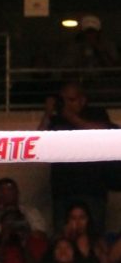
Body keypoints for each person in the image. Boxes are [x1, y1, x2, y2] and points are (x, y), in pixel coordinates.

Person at [37, 80, 119, 233]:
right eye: (63, 100)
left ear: (83, 100)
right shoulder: (56, 119)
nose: (66, 104)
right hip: (62, 190)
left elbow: (105, 133)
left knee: (94, 237)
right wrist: (48, 113)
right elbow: (37, 144)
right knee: (63, 238)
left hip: (93, 190)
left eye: (71, 100)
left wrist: (70, 117)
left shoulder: (96, 113)